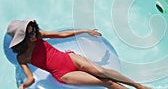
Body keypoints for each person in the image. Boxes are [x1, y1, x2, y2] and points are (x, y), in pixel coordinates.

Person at [7, 19, 150, 89]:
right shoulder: (22, 58)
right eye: (29, 33)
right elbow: (30, 78)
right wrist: (23, 87)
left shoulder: (39, 35)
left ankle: (139, 86)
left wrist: (85, 31)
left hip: (69, 58)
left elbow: (61, 34)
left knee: (103, 71)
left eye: (33, 30)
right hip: (63, 74)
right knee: (106, 82)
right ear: (22, 39)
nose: (33, 34)